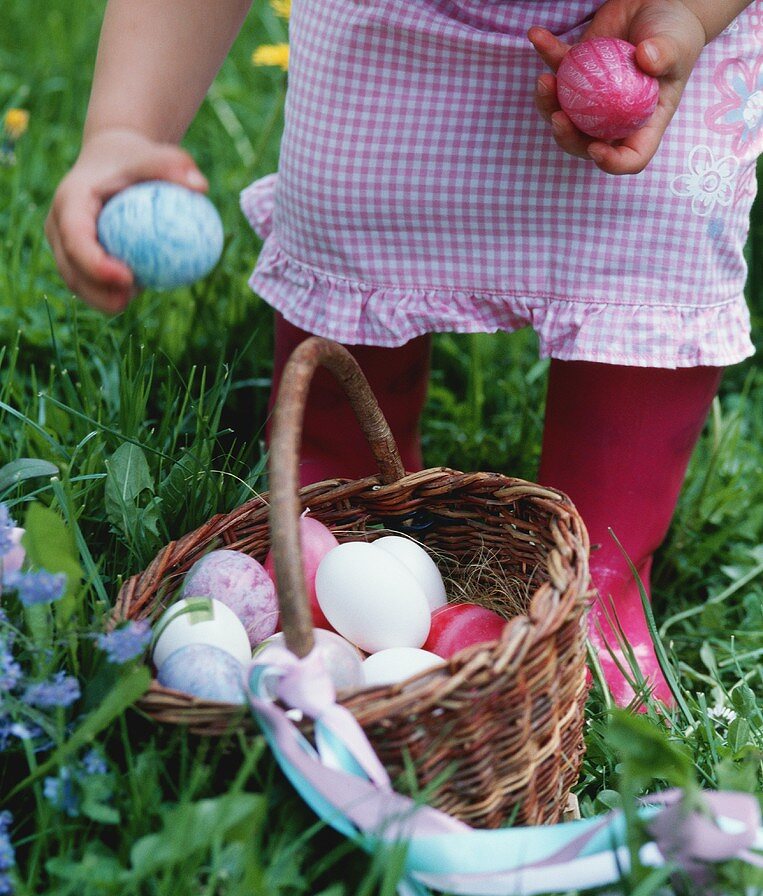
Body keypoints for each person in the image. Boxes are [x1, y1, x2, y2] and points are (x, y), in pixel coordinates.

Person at [46, 0, 761, 706]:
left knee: (650, 257)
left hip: (649, 33)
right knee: (353, 224)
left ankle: (601, 574)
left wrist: (690, 14)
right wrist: (125, 129)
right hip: (391, 35)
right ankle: (342, 509)